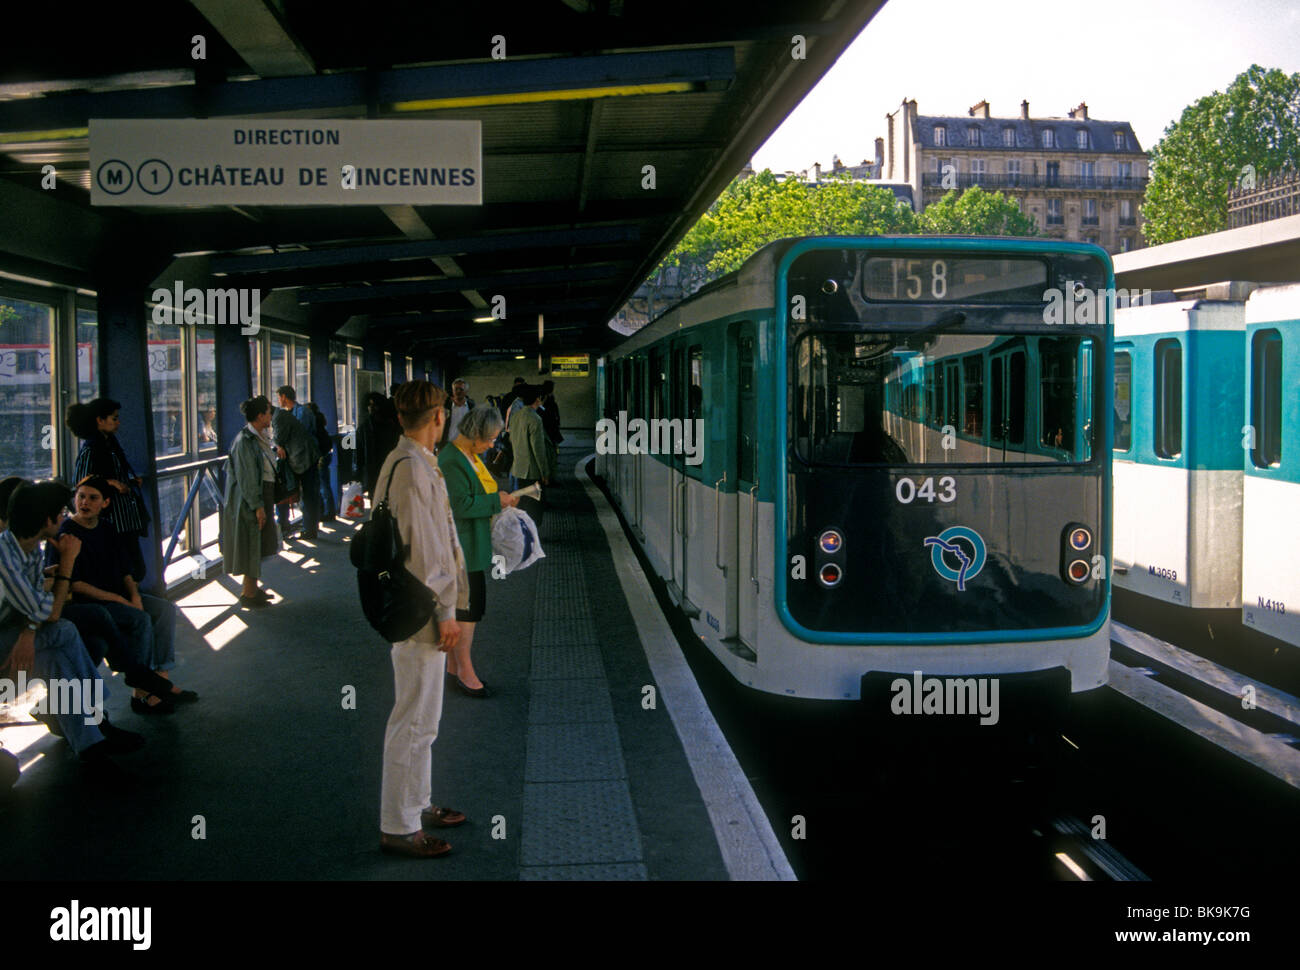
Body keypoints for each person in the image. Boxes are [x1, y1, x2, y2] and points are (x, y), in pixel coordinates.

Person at [377, 380, 470, 859]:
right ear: (439, 416)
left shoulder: (407, 461)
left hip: (413, 606)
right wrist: (446, 613)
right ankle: (399, 825)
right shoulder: (412, 470)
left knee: (422, 717)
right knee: (414, 719)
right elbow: (425, 554)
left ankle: (417, 801)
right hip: (421, 611)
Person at [0, 480, 144, 766]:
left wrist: (31, 626)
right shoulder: (4, 554)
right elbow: (48, 612)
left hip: (13, 633)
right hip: (5, 640)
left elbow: (39, 606)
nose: (66, 518)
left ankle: (92, 749)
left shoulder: (30, 550)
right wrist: (66, 564)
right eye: (61, 514)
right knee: (65, 629)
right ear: (46, 520)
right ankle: (98, 717)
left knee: (57, 661)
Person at [49, 476, 196, 714]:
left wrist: (134, 595)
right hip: (93, 602)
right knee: (140, 619)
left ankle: (161, 677)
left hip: (119, 595)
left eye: (92, 498)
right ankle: (142, 692)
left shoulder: (106, 527)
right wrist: (121, 600)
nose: (84, 502)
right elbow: (75, 585)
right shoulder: (67, 532)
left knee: (165, 610)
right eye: (81, 496)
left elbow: (124, 569)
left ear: (105, 503)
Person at [437, 405, 518, 699]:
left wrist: (500, 500)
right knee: (467, 611)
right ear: (474, 435)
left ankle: (451, 667)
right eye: (490, 439)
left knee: (466, 608)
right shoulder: (451, 460)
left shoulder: (469, 456)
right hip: (462, 547)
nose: (492, 444)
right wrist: (496, 501)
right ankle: (464, 671)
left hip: (472, 544)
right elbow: (461, 505)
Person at [66, 399, 150, 582]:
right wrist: (111, 483)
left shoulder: (109, 444)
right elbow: (81, 483)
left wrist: (128, 482)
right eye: (114, 418)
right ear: (100, 420)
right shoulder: (92, 448)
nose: (118, 423)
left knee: (135, 569)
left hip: (124, 520)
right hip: (113, 521)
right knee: (127, 570)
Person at [221, 396, 281, 608]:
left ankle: (252, 589)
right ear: (259, 416)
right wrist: (258, 506)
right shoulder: (245, 441)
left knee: (258, 542)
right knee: (251, 542)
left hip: (260, 494)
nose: (271, 416)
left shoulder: (259, 437)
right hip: (251, 499)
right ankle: (248, 593)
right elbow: (247, 477)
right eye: (268, 412)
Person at [273, 386, 320, 540]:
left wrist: (279, 444)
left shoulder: (303, 412)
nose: (278, 401)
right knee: (295, 492)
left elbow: (303, 435)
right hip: (295, 460)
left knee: (308, 494)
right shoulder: (288, 414)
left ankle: (310, 529)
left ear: (285, 397)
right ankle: (292, 525)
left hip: (305, 459)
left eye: (279, 397)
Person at [508, 384, 555, 522]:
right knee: (534, 508)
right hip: (532, 471)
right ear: (538, 399)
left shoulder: (516, 416)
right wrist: (545, 473)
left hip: (518, 468)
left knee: (522, 504)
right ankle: (532, 536)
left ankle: (523, 533)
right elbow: (538, 449)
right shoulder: (535, 419)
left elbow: (512, 439)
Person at [356, 391, 402, 503]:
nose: (371, 408)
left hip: (388, 468)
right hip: (374, 470)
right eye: (369, 405)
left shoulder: (391, 425)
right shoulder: (364, 427)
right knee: (375, 498)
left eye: (374, 405)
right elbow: (359, 450)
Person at [306, 401, 337, 521]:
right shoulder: (320, 423)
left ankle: (327, 512)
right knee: (326, 485)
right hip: (326, 455)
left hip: (320, 457)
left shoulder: (314, 425)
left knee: (323, 486)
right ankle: (329, 511)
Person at [444, 379, 475, 444]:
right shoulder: (445, 406)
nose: (458, 391)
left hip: (466, 444)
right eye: (456, 389)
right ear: (452, 390)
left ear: (466, 391)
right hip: (448, 444)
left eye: (461, 389)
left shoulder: (472, 407)